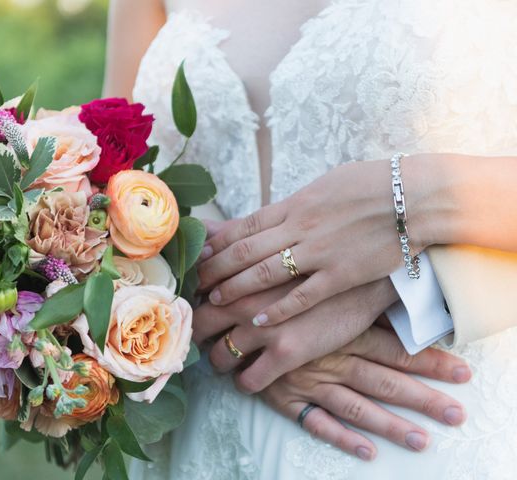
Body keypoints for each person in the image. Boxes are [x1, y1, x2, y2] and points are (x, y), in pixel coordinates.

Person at [103, 1, 517, 478]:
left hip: (435, 418)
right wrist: (234, 322)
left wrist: (408, 202)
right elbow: (113, 175)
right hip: (208, 411)